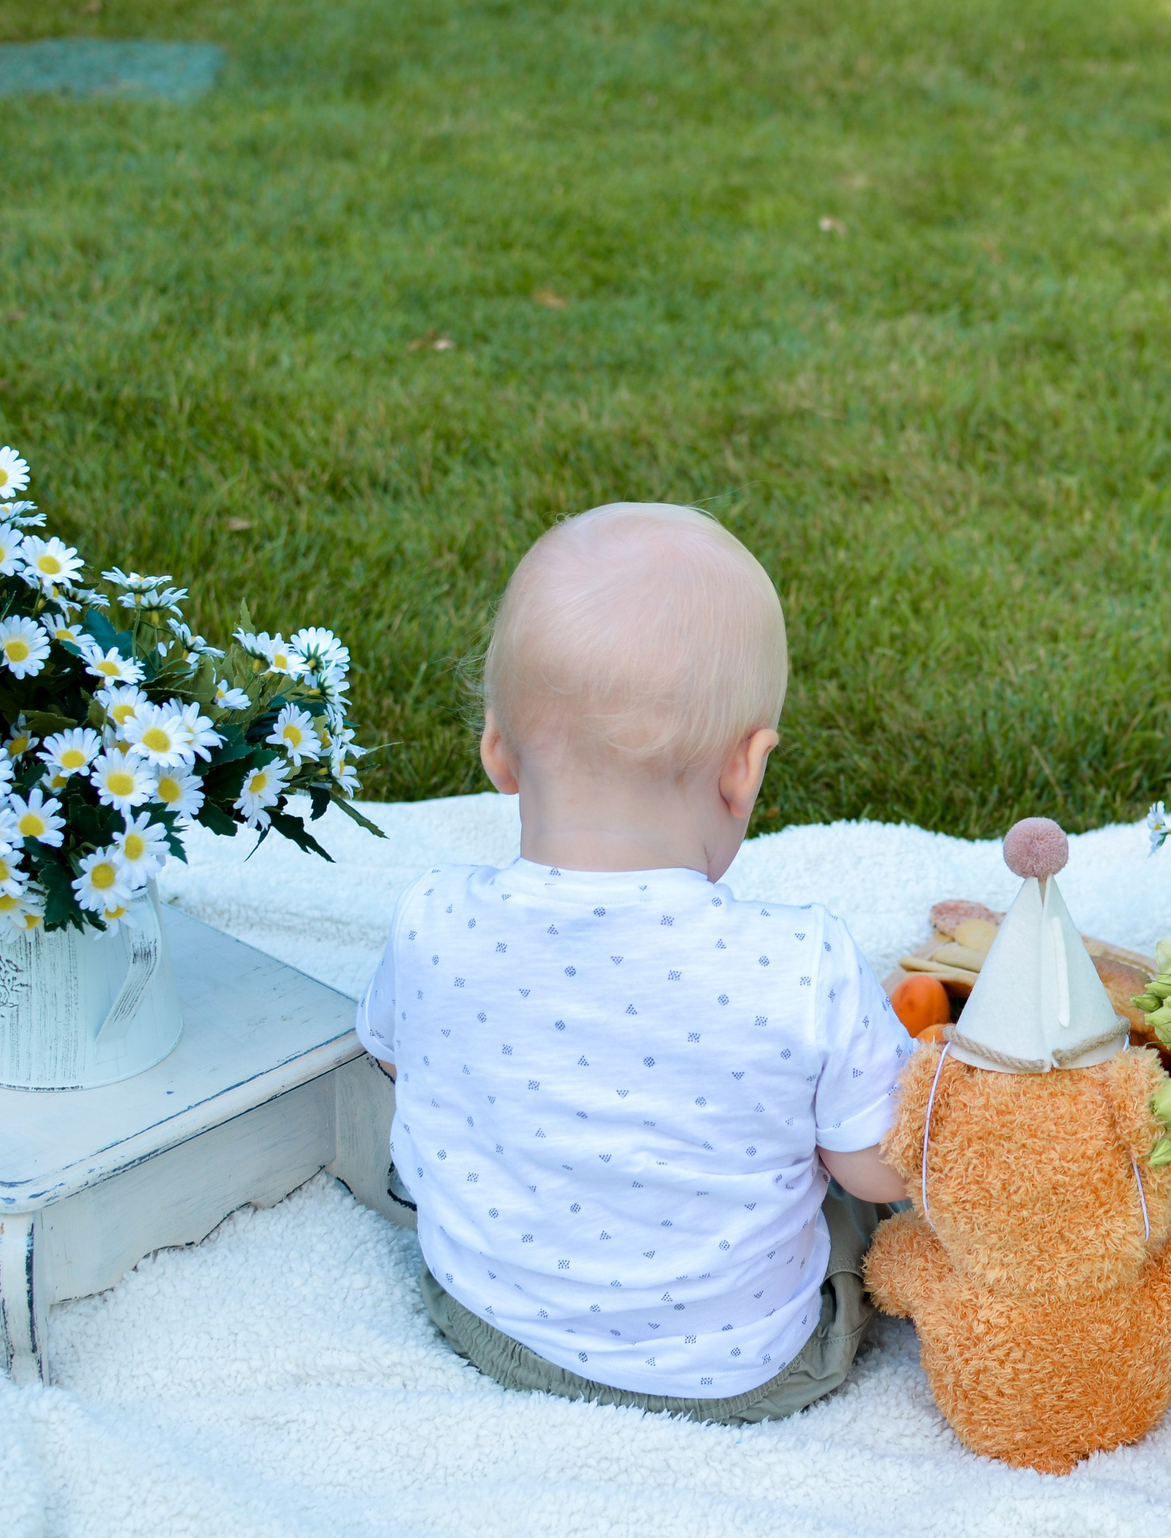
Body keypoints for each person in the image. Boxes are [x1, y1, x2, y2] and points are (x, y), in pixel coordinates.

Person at [358, 503, 914, 1423]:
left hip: (489, 1321)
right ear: (746, 768)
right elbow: (882, 1170)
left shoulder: (431, 919)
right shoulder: (801, 965)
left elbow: (396, 1058)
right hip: (745, 1370)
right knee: (859, 1208)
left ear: (497, 749)